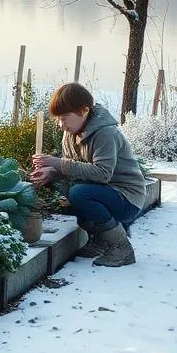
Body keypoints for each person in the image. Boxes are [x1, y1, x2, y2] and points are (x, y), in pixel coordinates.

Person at [30, 82, 145, 268]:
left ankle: (121, 247)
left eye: (65, 117)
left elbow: (102, 173)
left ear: (84, 111)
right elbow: (72, 168)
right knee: (70, 190)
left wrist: (56, 163)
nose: (61, 124)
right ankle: (102, 241)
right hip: (107, 192)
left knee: (79, 193)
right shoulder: (71, 132)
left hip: (127, 198)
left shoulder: (105, 133)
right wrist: (50, 173)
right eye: (58, 119)